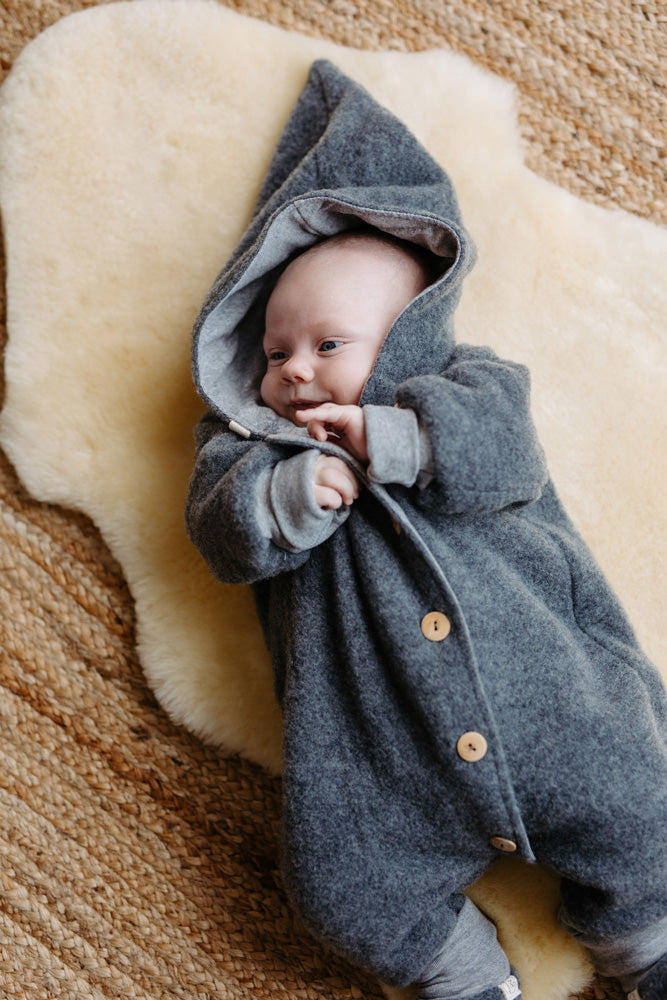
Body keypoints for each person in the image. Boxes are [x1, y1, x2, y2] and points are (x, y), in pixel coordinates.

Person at [185, 60, 667, 1000]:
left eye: (328, 344)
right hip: (373, 765)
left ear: (408, 328)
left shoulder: (466, 384)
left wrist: (397, 437)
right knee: (335, 890)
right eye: (276, 350)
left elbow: (505, 458)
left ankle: (645, 940)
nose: (294, 370)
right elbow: (219, 538)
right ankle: (461, 972)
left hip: (550, 706)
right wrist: (288, 496)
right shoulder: (251, 451)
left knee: (643, 804)